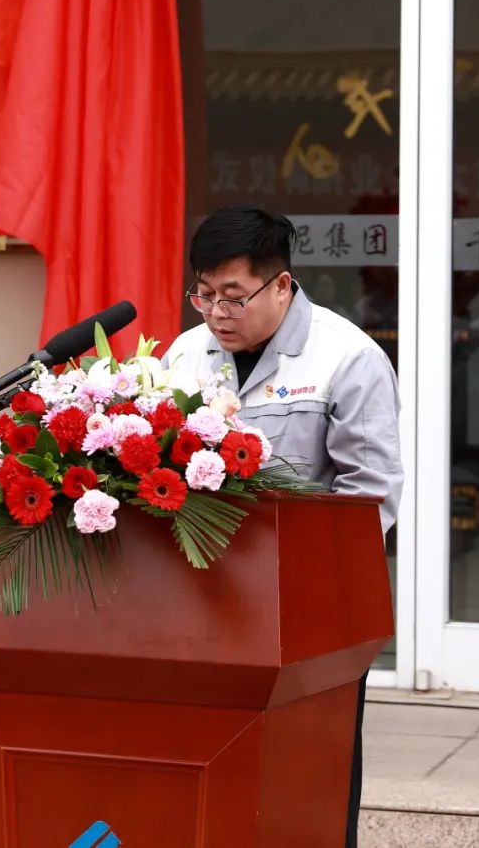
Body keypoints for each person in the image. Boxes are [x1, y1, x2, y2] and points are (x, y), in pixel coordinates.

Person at [163, 204, 404, 847]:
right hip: (201, 606)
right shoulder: (185, 355)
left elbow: (370, 498)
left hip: (308, 611)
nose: (217, 313)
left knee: (308, 780)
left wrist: (299, 576)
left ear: (281, 284)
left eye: (233, 296)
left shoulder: (346, 357)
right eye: (203, 295)